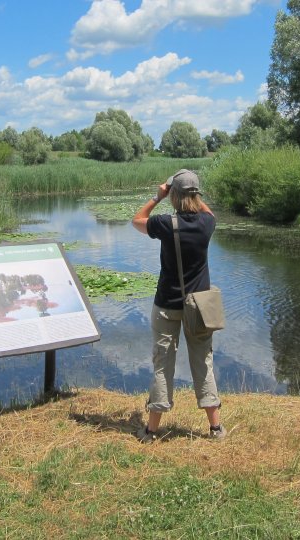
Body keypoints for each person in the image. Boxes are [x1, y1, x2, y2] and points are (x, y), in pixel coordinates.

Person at [131, 169, 225, 443]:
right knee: (203, 362)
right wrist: (194, 195)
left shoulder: (164, 223)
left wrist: (157, 196)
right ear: (196, 195)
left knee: (162, 364)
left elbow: (137, 220)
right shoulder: (207, 224)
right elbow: (210, 214)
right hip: (199, 306)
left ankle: (151, 431)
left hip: (167, 305)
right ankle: (215, 429)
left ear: (174, 195)